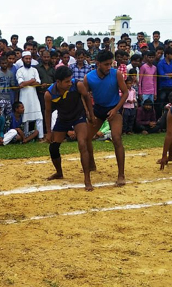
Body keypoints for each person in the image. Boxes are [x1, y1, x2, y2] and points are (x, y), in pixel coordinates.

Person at [44, 66, 94, 191]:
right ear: (58, 82)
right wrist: (48, 132)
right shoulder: (49, 94)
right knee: (53, 147)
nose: (69, 83)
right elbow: (48, 112)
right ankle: (59, 173)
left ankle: (87, 179)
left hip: (78, 117)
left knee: (82, 143)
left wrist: (91, 115)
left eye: (70, 80)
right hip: (63, 119)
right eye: (66, 81)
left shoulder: (77, 85)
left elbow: (87, 97)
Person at [84, 50, 130, 186]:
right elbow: (85, 96)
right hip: (98, 109)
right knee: (86, 138)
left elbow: (125, 92)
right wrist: (89, 112)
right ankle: (91, 164)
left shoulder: (116, 74)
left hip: (114, 108)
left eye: (111, 64)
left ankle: (121, 174)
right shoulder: (89, 77)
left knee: (116, 138)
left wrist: (116, 110)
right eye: (106, 64)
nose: (109, 67)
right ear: (97, 64)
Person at [16, 51, 44, 139]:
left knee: (39, 117)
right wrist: (31, 81)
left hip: (34, 97)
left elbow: (38, 82)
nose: (28, 60)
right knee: (25, 119)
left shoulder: (34, 70)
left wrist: (27, 82)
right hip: (24, 97)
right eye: (26, 59)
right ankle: (26, 137)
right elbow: (21, 84)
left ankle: (41, 136)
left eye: (29, 59)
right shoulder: (19, 71)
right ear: (22, 59)